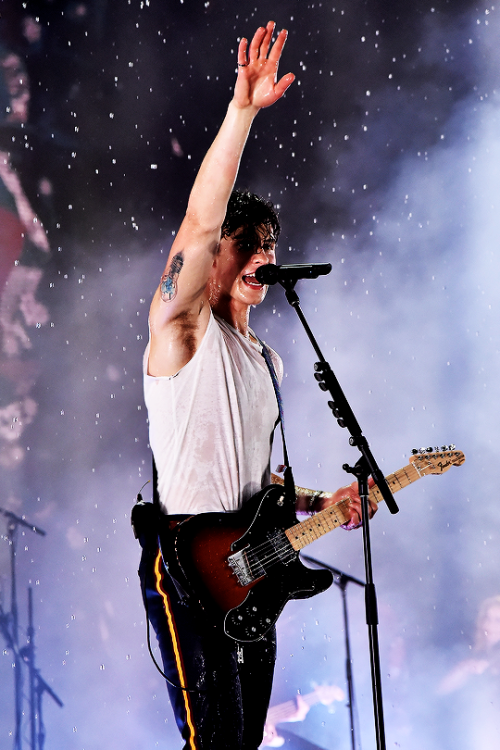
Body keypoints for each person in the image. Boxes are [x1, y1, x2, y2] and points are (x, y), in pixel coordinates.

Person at [138, 21, 376, 750]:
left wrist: (319, 503)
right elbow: (199, 217)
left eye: (273, 244)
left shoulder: (265, 361)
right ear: (215, 260)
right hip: (187, 562)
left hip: (248, 571)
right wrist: (241, 115)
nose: (266, 256)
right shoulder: (181, 329)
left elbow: (257, 479)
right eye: (250, 244)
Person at [437, 595, 500, 749]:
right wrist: (464, 669)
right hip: (471, 735)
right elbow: (440, 691)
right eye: (487, 618)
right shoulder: (476, 653)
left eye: (497, 620)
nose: (489, 625)